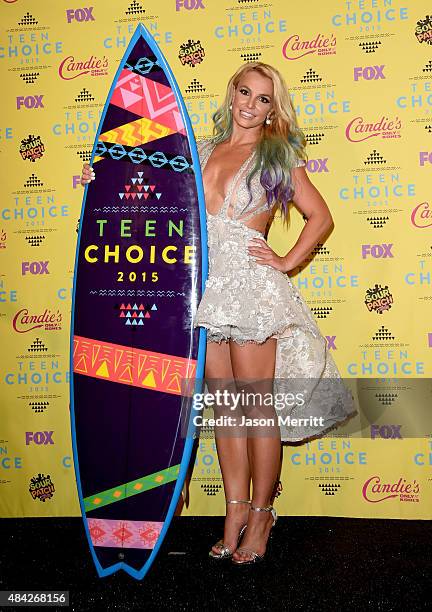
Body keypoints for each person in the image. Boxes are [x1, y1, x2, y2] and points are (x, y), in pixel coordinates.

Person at [81, 61, 356, 566]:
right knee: (227, 410)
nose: (251, 105)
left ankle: (262, 514)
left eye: (264, 99)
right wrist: (100, 178)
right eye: (245, 92)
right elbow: (148, 201)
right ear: (231, 94)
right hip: (202, 291)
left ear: (275, 109)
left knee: (256, 409)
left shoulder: (276, 155)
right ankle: (233, 513)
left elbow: (322, 217)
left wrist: (286, 261)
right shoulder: (198, 152)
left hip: (251, 289)